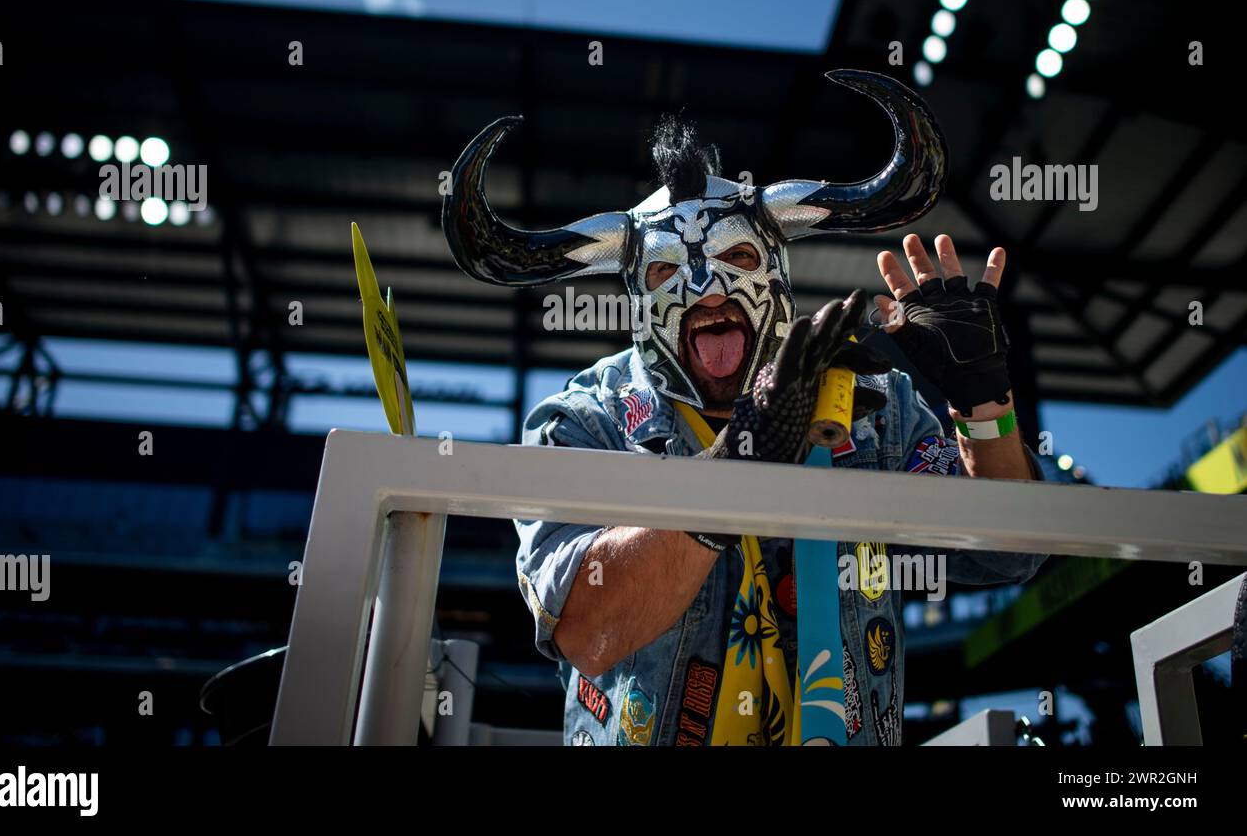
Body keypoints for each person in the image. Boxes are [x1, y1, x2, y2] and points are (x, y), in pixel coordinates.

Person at [441, 70, 1046, 746]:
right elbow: (586, 626)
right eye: (668, 271)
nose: (706, 289)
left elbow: (1004, 558)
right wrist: (736, 468)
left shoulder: (875, 407)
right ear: (637, 300)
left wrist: (984, 404)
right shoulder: (584, 423)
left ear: (778, 274)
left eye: (735, 254)